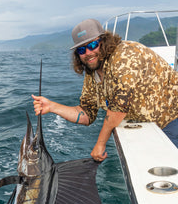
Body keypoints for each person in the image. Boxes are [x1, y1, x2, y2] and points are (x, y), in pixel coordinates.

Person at [32, 18, 178, 161]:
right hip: (149, 124)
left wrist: (100, 144)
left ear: (104, 41)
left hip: (172, 117)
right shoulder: (93, 72)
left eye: (93, 45)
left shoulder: (126, 55)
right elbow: (87, 113)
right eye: (82, 49)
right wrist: (52, 107)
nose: (88, 53)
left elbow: (119, 106)